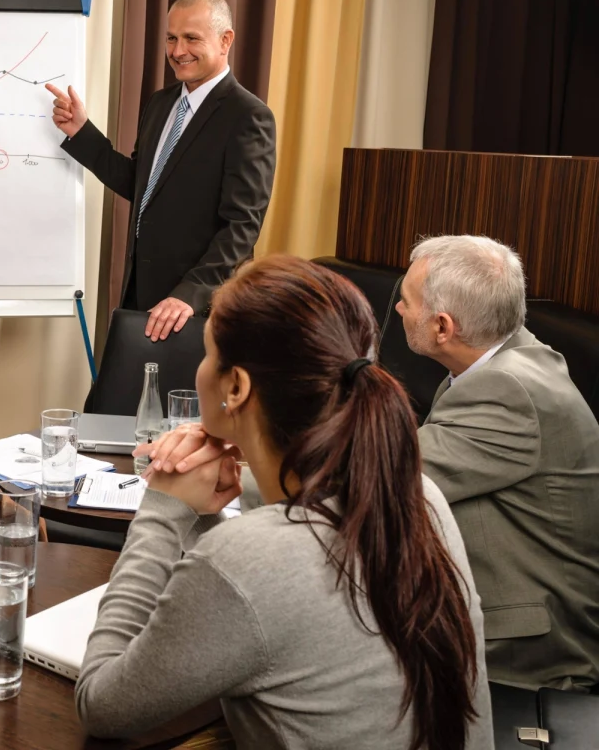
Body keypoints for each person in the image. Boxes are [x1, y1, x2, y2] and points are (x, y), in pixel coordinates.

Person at [75, 255, 492, 749]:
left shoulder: (247, 559)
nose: (200, 367)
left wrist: (164, 507)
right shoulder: (418, 496)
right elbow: (259, 607)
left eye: (207, 354)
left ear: (236, 387)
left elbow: (102, 706)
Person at [397, 234, 599, 692]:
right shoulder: (510, 359)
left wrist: (232, 477)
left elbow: (381, 475)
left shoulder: (506, 389)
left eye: (407, 301)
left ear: (443, 326)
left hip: (528, 651)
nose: (399, 310)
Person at [46, 0, 276, 342]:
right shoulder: (159, 103)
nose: (177, 51)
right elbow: (141, 184)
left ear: (225, 40)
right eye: (171, 38)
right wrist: (82, 132)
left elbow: (242, 227)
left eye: (191, 38)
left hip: (194, 310)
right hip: (139, 295)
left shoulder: (249, 116)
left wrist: (189, 294)